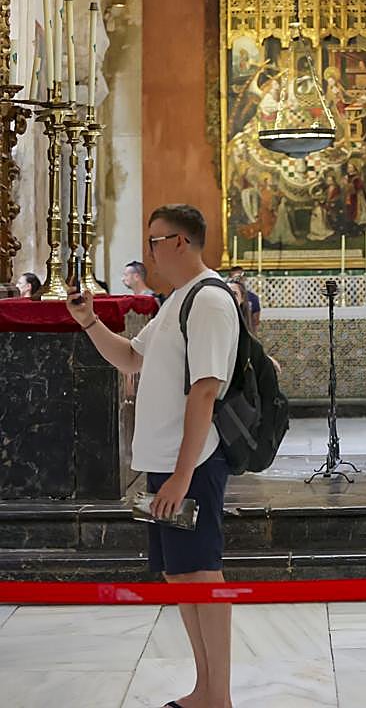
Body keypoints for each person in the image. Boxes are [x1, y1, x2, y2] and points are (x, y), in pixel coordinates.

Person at [65, 204, 240, 708]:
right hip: (166, 462)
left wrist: (183, 476)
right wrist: (89, 321)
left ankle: (219, 697)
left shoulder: (208, 300)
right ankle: (205, 687)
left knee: (203, 573)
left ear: (181, 242)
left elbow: (205, 391)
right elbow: (130, 357)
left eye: (155, 241)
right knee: (179, 573)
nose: (150, 252)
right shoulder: (177, 300)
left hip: (194, 464)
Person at [227, 266, 262, 330]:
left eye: (240, 278)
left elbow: (256, 321)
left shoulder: (253, 298)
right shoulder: (225, 297)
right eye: (235, 278)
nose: (238, 280)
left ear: (244, 278)